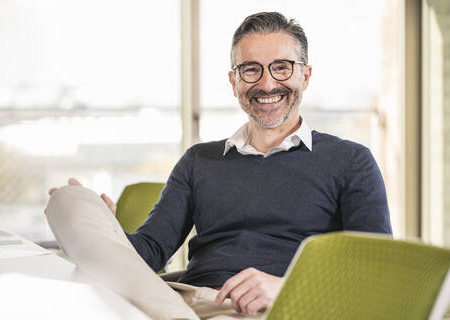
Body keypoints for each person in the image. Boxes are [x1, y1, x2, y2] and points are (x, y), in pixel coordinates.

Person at [45, 12, 392, 320]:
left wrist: (286, 287)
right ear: (234, 81)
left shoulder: (350, 161)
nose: (267, 84)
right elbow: (148, 254)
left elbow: (374, 273)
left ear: (306, 75)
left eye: (282, 67)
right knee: (68, 203)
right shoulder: (200, 161)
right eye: (251, 70)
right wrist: (106, 230)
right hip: (183, 302)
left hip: (277, 309)